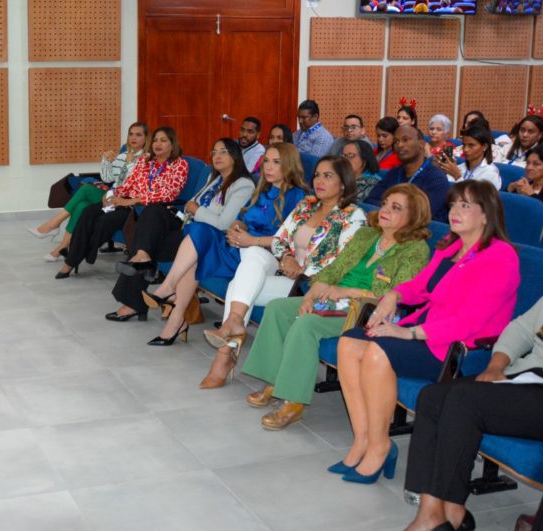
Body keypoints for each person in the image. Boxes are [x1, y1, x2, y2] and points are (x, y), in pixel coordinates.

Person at [334, 181, 519, 485]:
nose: (454, 212)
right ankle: (364, 440)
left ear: (486, 215)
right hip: (427, 329)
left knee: (377, 352)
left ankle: (380, 447)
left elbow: (470, 321)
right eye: (454, 205)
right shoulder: (451, 246)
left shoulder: (501, 257)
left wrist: (411, 333)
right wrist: (393, 294)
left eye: (465, 206)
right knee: (349, 342)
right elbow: (420, 287)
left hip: (457, 347)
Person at [240, 185, 431, 430]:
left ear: (414, 216)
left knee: (306, 324)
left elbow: (397, 293)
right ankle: (275, 380)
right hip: (332, 299)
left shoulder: (415, 250)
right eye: (385, 203)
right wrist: (310, 295)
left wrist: (349, 292)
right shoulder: (367, 235)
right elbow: (334, 269)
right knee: (278, 308)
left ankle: (294, 401)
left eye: (396, 208)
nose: (385, 210)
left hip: (366, 312)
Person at [198, 156, 366, 388]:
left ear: (344, 183)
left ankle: (225, 354)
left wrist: (301, 269)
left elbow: (340, 262)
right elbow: (280, 238)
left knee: (238, 288)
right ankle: (234, 325)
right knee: (254, 256)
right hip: (285, 271)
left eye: (328, 176)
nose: (319, 180)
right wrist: (287, 257)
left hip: (310, 285)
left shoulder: (353, 216)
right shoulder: (307, 204)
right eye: (317, 174)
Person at [402, 293, 543, 531]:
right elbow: (521, 329)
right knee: (432, 398)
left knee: (465, 401)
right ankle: (433, 511)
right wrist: (496, 366)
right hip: (525, 377)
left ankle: (449, 510)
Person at [139, 143, 308, 343]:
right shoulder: (263, 189)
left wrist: (249, 240)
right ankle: (172, 306)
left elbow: (288, 240)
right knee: (198, 233)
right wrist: (237, 228)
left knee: (197, 252)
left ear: (289, 164)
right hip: (238, 246)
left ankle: (171, 305)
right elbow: (240, 217)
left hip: (263, 255)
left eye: (276, 162)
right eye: (266, 162)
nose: (268, 167)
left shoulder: (298, 196)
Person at [106, 139, 254, 323]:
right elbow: (189, 204)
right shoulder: (214, 178)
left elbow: (223, 223)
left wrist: (196, 210)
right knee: (152, 214)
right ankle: (142, 258)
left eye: (223, 152)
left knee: (149, 241)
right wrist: (190, 209)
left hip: (206, 238)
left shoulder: (243, 185)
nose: (217, 156)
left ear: (235, 156)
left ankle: (134, 299)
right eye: (214, 152)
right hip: (187, 225)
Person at [55, 127, 188, 279]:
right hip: (126, 202)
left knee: (105, 220)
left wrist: (130, 201)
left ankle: (72, 260)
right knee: (89, 212)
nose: (158, 144)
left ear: (172, 144)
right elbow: (129, 183)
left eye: (163, 141)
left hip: (144, 210)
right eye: (156, 140)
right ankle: (74, 258)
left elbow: (168, 193)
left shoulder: (179, 164)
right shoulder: (146, 160)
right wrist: (112, 194)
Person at [29, 122, 149, 260]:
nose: (134, 138)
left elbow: (132, 183)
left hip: (124, 198)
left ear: (146, 138)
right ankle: (60, 249)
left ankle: (54, 224)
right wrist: (106, 160)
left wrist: (118, 184)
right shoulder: (123, 155)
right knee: (81, 206)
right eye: (131, 134)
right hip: (111, 194)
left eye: (139, 135)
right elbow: (107, 178)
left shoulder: (146, 159)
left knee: (86, 189)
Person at [365, 125, 450, 221]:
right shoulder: (394, 172)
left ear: (421, 144)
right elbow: (370, 201)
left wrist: (388, 207)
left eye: (405, 140)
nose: (399, 145)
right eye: (396, 141)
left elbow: (421, 216)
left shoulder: (436, 179)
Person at [435, 122, 502, 190]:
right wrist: (442, 173)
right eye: (464, 145)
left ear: (484, 146)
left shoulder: (491, 173)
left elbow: (477, 199)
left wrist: (457, 177)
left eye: (471, 145)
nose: (465, 149)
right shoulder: (460, 167)